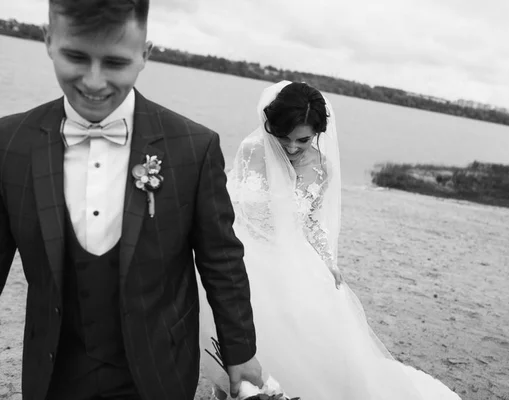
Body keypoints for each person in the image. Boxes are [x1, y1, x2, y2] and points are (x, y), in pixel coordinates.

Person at [0, 1, 262, 399]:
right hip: (54, 370)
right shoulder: (9, 142)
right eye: (75, 56)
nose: (93, 81)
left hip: (159, 368)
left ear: (145, 54)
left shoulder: (194, 147)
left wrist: (240, 351)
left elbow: (220, 258)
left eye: (115, 63)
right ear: (48, 41)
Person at [198, 81, 463, 399]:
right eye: (284, 137)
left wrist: (327, 260)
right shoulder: (253, 149)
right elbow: (230, 202)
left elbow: (309, 220)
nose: (292, 147)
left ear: (318, 133)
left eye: (303, 139)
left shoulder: (322, 168)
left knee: (301, 342)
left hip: (291, 258)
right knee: (231, 334)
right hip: (247, 254)